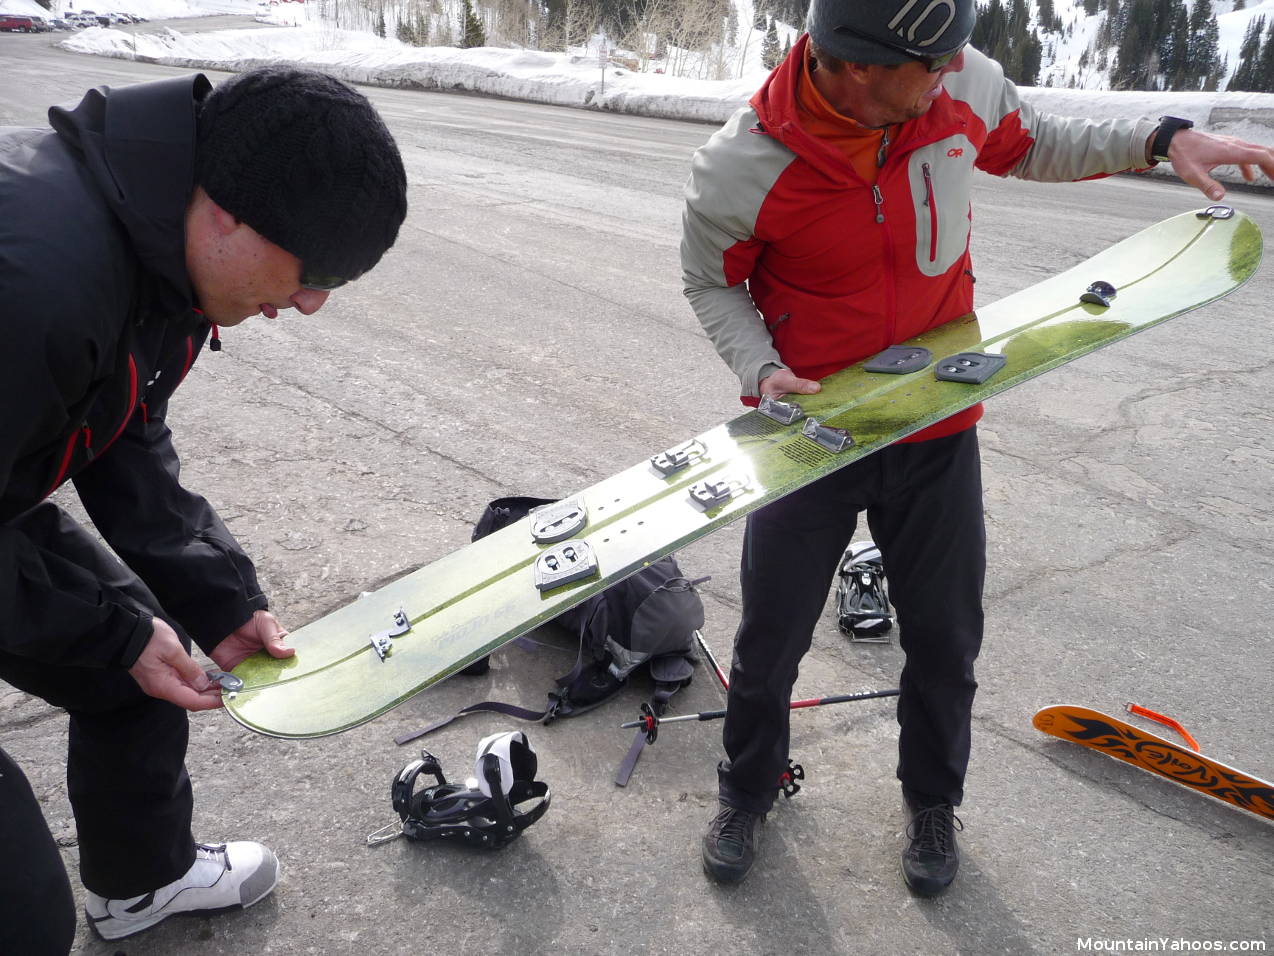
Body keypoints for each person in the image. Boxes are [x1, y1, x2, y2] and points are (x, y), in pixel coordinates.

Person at [681, 0, 1274, 895]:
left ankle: (931, 803)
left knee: (946, 639)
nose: (954, 74)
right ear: (858, 67)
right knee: (769, 640)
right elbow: (709, 282)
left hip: (937, 426)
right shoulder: (742, 164)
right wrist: (760, 369)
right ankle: (749, 789)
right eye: (932, 66)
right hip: (814, 435)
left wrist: (1160, 139)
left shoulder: (954, 80)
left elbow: (1031, 139)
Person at [0, 67, 407, 950]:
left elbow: (122, 427)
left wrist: (217, 600)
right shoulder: (36, 285)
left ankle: (141, 882)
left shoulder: (162, 244)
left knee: (135, 656)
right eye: (312, 270)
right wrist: (105, 631)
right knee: (19, 912)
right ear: (227, 210)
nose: (311, 303)